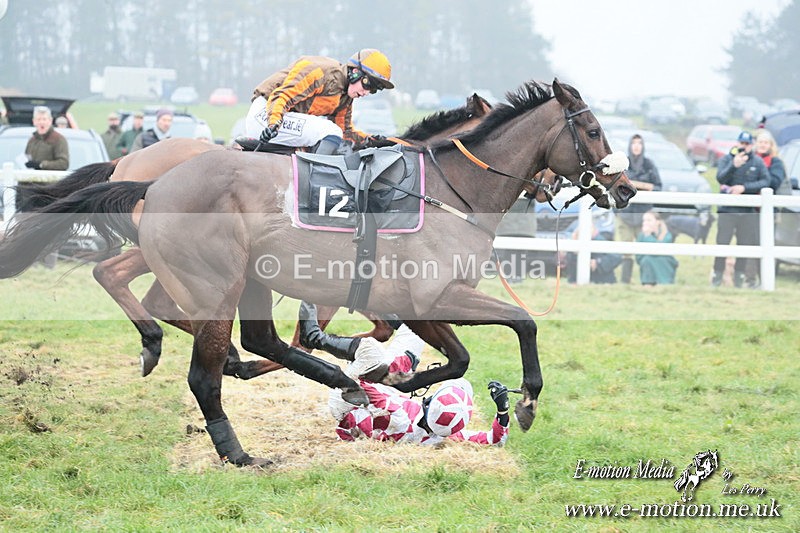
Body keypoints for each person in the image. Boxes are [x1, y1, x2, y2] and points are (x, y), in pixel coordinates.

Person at [297, 302, 510, 446]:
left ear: (428, 402)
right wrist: (503, 410)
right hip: (380, 396)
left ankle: (314, 336)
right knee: (420, 329)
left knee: (370, 351)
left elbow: (368, 380)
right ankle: (393, 314)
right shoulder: (443, 433)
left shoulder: (398, 415)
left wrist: (403, 364)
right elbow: (494, 440)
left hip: (348, 400)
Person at [245, 49, 395, 155]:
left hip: (279, 120)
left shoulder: (345, 98)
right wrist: (274, 124)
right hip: (266, 115)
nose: (366, 92)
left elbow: (345, 132)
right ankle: (316, 180)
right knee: (329, 131)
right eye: (368, 85)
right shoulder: (321, 71)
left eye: (374, 90)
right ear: (355, 72)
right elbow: (281, 97)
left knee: (333, 134)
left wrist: (371, 140)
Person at [712, 130, 772, 288]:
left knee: (744, 245)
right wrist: (733, 166)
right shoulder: (727, 159)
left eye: (747, 144)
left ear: (751, 146)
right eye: (742, 143)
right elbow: (720, 177)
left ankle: (739, 279)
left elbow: (766, 181)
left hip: (747, 211)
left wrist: (744, 188)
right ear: (737, 143)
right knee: (722, 244)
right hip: (727, 210)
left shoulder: (757, 162)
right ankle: (717, 277)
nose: (744, 147)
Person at [615, 134, 662, 283]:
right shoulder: (622, 164)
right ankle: (625, 282)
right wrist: (617, 211)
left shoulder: (649, 165)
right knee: (626, 251)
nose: (636, 146)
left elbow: (658, 187)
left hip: (643, 216)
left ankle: (647, 280)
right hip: (625, 214)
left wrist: (644, 188)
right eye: (634, 143)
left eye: (639, 143)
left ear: (642, 146)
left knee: (644, 250)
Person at [636, 210, 678, 285]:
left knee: (659, 259)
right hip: (647, 260)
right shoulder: (641, 236)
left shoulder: (666, 235)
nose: (645, 223)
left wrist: (648, 237)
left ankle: (665, 283)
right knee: (647, 260)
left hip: (664, 259)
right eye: (644, 220)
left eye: (649, 220)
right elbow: (638, 257)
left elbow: (660, 250)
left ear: (658, 222)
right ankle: (648, 284)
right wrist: (647, 235)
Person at [24, 106, 69, 170]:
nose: (41, 122)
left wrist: (41, 164)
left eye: (44, 119)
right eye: (38, 119)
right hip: (31, 178)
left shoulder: (59, 139)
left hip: (50, 179)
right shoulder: (32, 140)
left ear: (50, 121)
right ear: (34, 121)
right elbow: (26, 159)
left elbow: (64, 164)